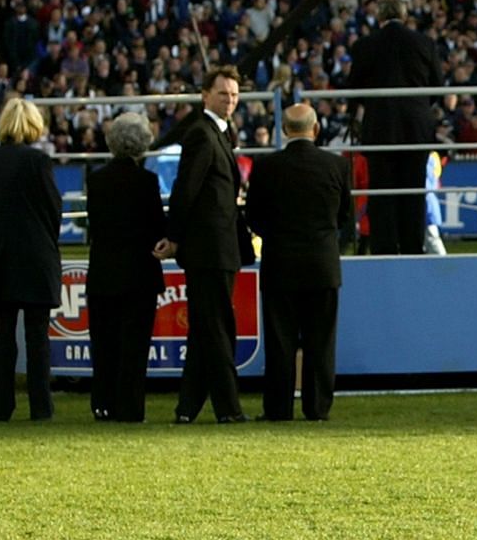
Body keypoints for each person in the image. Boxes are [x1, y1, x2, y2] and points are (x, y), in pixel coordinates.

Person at [244, 103, 355, 422]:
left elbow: (254, 217)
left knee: (281, 342)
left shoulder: (266, 166)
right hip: (322, 265)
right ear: (316, 129)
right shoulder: (336, 166)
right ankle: (317, 407)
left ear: (284, 130)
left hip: (280, 263)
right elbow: (344, 217)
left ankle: (278, 409)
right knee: (321, 341)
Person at [156, 67, 250, 424]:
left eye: (235, 95)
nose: (230, 100)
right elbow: (186, 189)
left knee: (205, 328)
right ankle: (228, 408)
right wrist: (175, 236)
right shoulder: (201, 134)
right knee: (217, 327)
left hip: (218, 247)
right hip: (208, 249)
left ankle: (187, 407)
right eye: (224, 94)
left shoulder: (219, 133)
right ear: (205, 95)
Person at [0, 98, 63, 421]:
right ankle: (41, 406)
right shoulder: (39, 161)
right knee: (37, 334)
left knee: (3, 334)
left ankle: (0, 406)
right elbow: (53, 209)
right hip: (35, 255)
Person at [351, 0, 454, 254]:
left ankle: (383, 249)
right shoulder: (424, 43)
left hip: (380, 128)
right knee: (413, 192)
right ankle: (411, 248)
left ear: (379, 16)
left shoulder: (366, 45)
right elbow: (438, 88)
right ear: (405, 15)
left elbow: (353, 88)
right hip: (415, 128)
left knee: (381, 193)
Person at [84, 111, 166, 423]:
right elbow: (157, 225)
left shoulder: (96, 179)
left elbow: (96, 225)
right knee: (134, 346)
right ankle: (130, 407)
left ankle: (102, 404)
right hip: (139, 274)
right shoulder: (147, 182)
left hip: (104, 271)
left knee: (104, 343)